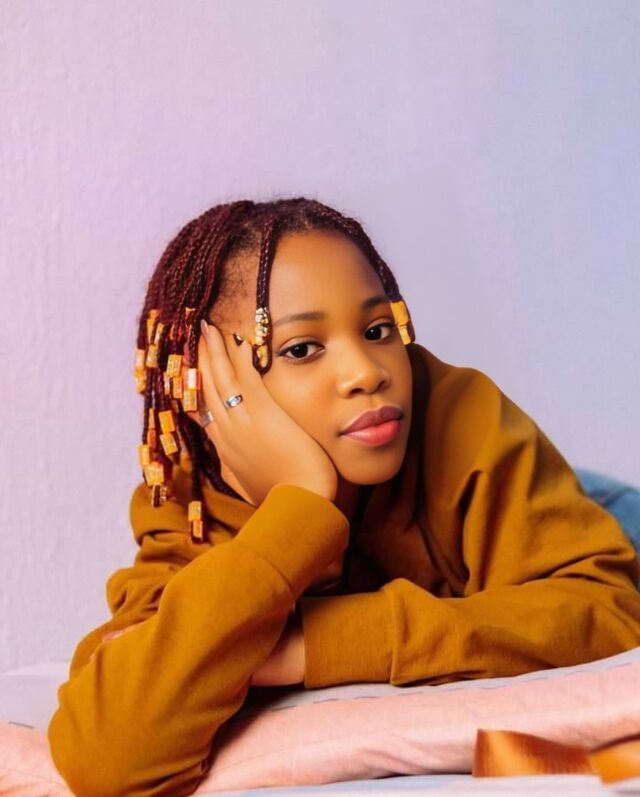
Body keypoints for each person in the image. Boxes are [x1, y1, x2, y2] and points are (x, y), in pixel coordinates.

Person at [47, 198, 640, 797]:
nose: (367, 371)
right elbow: (109, 755)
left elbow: (610, 613)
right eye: (301, 348)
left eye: (378, 331)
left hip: (599, 511)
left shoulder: (461, 413)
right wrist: (301, 503)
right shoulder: (193, 497)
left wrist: (308, 647)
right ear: (210, 384)